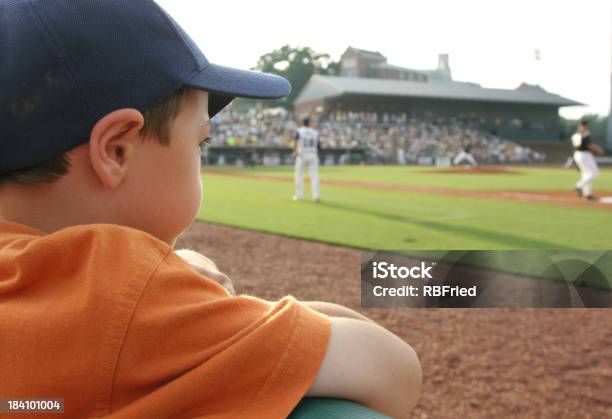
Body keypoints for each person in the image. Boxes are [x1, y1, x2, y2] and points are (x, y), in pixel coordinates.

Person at [0, 1, 421, 418]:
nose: (201, 151)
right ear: (116, 150)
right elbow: (396, 370)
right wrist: (203, 288)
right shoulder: (118, 287)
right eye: (201, 142)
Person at [571, 120, 605, 199]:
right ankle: (578, 186)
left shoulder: (576, 135)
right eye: (585, 125)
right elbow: (589, 145)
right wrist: (598, 149)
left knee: (586, 174)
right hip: (584, 155)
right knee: (595, 173)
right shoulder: (585, 134)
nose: (585, 127)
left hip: (577, 154)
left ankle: (587, 193)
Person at [293, 117, 321, 202]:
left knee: (299, 176)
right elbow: (319, 146)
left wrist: (295, 151)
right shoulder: (315, 132)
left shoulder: (299, 131)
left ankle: (299, 196)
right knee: (314, 176)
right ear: (309, 123)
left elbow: (295, 141)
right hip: (313, 154)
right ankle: (316, 196)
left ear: (303, 123)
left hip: (302, 155)